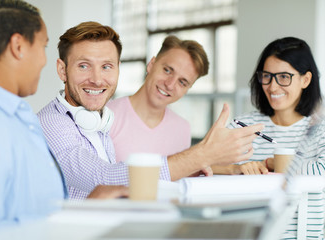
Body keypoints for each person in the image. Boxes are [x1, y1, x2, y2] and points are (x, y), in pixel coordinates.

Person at [37, 21, 264, 200]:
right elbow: (104, 178)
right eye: (84, 65)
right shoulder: (53, 122)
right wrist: (202, 154)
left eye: (106, 66)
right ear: (62, 70)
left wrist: (222, 167)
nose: (97, 79)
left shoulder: (98, 120)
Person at [0, 1, 127, 238]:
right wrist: (80, 215)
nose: (43, 60)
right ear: (18, 46)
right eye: (43, 46)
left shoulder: (10, 115)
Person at [106, 35, 267, 175]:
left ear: (187, 89)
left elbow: (181, 168)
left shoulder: (182, 128)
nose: (170, 84)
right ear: (151, 64)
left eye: (182, 82)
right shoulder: (106, 117)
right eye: (167, 70)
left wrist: (232, 169)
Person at [228, 37, 324, 239]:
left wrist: (272, 163)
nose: (272, 87)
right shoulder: (242, 126)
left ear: (305, 79)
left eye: (283, 77)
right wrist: (236, 169)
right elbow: (204, 164)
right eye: (267, 76)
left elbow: (321, 171)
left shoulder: (320, 128)